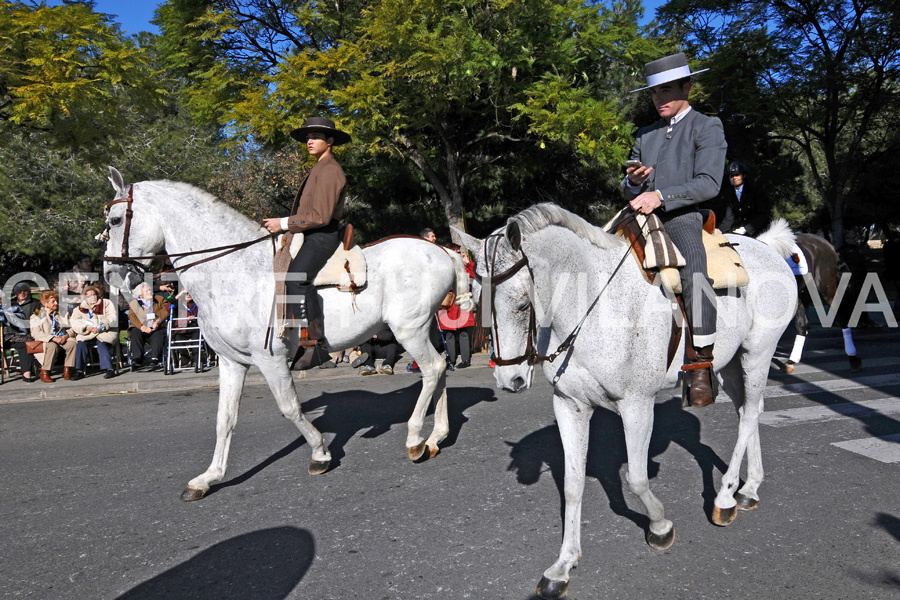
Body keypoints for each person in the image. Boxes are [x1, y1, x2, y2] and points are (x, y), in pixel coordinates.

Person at [624, 52, 727, 407]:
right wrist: (634, 184)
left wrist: (661, 195)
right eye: (654, 93)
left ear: (687, 87)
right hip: (641, 214)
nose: (659, 99)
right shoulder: (645, 134)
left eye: (667, 90)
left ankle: (701, 361)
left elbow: (710, 183)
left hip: (683, 215)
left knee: (695, 268)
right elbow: (631, 187)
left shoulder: (707, 126)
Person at [264, 116, 350, 370]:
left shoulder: (330, 170)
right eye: (308, 138)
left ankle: (316, 345)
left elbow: (320, 216)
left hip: (323, 235)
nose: (309, 141)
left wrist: (283, 223)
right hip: (311, 234)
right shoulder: (318, 168)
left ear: (330, 141)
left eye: (316, 137)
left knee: (295, 278)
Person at [437, 244, 476, 368]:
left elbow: (476, 275)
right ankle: (452, 359)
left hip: (462, 302)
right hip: (447, 303)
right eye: (455, 252)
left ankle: (465, 360)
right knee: (449, 334)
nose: (458, 254)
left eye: (459, 252)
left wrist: (467, 262)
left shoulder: (464, 266)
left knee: (464, 333)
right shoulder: (442, 266)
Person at [70, 285, 118, 379]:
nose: (92, 297)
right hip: (88, 333)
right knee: (81, 344)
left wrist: (102, 326)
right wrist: (86, 327)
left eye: (94, 295)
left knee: (102, 344)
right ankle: (79, 370)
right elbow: (74, 323)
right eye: (89, 295)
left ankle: (109, 369)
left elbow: (112, 318)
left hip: (105, 332)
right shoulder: (79, 309)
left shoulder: (106, 303)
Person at [30, 290, 77, 382]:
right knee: (52, 346)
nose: (56, 303)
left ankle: (68, 370)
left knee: (72, 344)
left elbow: (73, 327)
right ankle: (45, 372)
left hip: (62, 337)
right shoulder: (37, 315)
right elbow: (35, 333)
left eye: (57, 301)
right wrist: (53, 338)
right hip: (47, 340)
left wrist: (66, 336)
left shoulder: (62, 313)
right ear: (45, 303)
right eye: (53, 301)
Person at [716, 161, 770, 236]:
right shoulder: (729, 194)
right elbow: (729, 218)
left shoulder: (755, 191)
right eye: (731, 176)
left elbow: (763, 215)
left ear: (743, 175)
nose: (734, 178)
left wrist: (747, 228)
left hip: (762, 231)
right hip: (745, 233)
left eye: (737, 175)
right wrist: (718, 233)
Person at [2, 282, 40, 382]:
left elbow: (37, 318)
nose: (22, 293)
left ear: (29, 292)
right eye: (19, 291)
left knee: (25, 345)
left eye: (25, 290)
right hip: (6, 335)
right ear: (15, 292)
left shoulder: (35, 303)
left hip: (23, 333)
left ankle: (26, 373)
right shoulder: (11, 303)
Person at [127, 282, 169, 371]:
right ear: (140, 294)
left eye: (150, 290)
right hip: (141, 326)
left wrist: (157, 321)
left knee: (158, 334)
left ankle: (155, 358)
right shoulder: (135, 303)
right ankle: (137, 358)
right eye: (146, 291)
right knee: (135, 332)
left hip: (157, 326)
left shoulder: (159, 299)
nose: (149, 292)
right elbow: (132, 316)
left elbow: (165, 310)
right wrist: (142, 327)